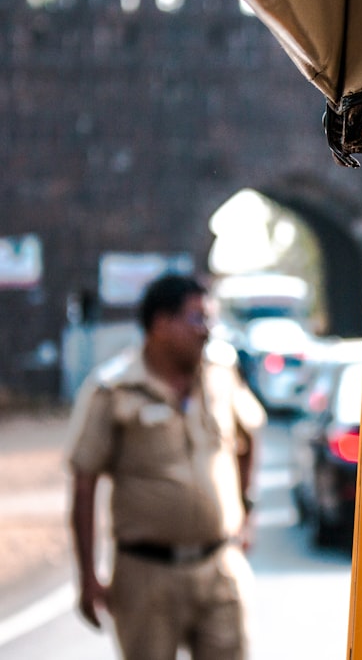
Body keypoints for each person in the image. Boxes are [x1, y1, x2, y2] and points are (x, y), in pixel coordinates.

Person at [68, 273, 266, 660]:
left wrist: (247, 511)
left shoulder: (220, 374)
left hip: (220, 564)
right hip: (146, 573)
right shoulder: (113, 389)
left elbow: (250, 434)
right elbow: (84, 481)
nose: (206, 331)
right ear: (160, 324)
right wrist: (89, 577)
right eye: (196, 319)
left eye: (209, 319)